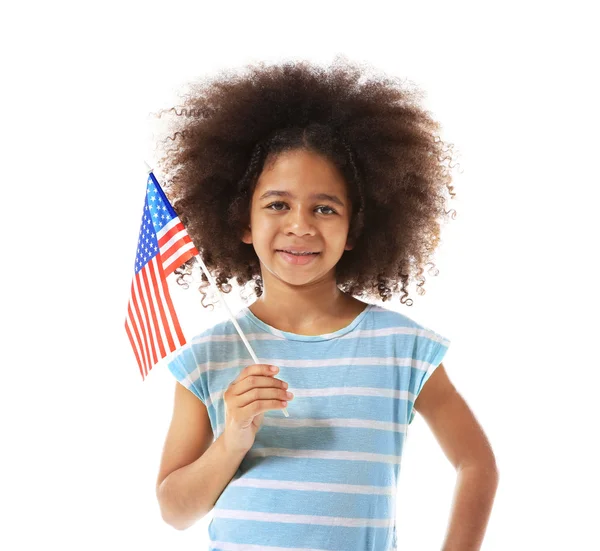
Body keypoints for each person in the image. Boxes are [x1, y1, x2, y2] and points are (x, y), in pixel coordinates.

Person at [153, 56, 499, 550]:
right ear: (242, 222)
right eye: (277, 204)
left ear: (355, 227)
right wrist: (233, 437)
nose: (300, 225)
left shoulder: (402, 348)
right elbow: (173, 510)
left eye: (324, 207)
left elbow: (475, 463)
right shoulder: (209, 357)